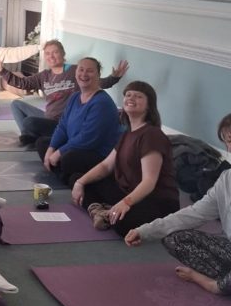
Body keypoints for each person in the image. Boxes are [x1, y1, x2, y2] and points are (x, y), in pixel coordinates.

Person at [125, 114, 231, 295]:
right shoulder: (226, 179)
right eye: (229, 140)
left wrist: (207, 282)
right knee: (175, 238)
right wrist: (145, 231)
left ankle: (215, 284)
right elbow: (193, 214)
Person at [70, 81, 179, 235]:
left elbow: (149, 182)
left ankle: (108, 212)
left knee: (122, 225)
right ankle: (101, 212)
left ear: (149, 105)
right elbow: (106, 166)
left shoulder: (152, 135)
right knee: (80, 179)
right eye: (128, 95)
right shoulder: (127, 134)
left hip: (157, 200)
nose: (131, 98)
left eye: (138, 96)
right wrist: (80, 182)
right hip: (130, 192)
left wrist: (125, 203)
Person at [0, 39, 128, 145]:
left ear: (62, 54)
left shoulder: (75, 71)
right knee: (16, 105)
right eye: (47, 53)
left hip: (63, 123)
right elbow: (22, 83)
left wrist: (114, 77)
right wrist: (1, 70)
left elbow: (97, 83)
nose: (51, 56)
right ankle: (29, 135)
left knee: (29, 122)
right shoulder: (44, 75)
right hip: (48, 117)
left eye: (55, 52)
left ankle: (35, 135)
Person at [35, 57, 122, 185]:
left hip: (97, 153)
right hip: (76, 145)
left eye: (90, 71)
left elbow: (87, 139)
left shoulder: (102, 103)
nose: (84, 74)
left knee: (68, 159)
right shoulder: (75, 96)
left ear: (98, 75)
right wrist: (52, 148)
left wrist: (60, 152)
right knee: (42, 143)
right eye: (81, 70)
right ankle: (68, 176)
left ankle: (69, 176)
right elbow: (63, 126)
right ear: (76, 73)